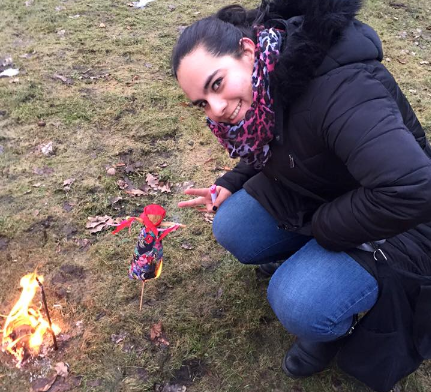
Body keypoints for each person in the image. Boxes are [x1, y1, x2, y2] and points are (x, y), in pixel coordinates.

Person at [171, 0, 431, 390]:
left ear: (248, 50)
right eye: (202, 104)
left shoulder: (342, 88)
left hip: (403, 221)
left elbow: (411, 189)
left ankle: (333, 325)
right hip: (329, 191)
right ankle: (319, 267)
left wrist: (322, 227)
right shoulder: (268, 83)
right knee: (233, 226)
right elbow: (279, 140)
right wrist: (233, 178)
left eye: (217, 84)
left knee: (299, 301)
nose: (217, 109)